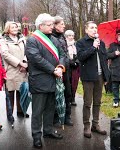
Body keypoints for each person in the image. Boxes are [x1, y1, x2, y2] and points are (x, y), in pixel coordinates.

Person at [25, 13, 65, 148]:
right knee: (37, 111)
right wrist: (53, 70)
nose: (52, 27)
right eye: (49, 25)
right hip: (40, 81)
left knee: (50, 108)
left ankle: (47, 131)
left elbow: (63, 54)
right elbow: (35, 58)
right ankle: (36, 135)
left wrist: (60, 67)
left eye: (52, 24)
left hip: (54, 80)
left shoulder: (54, 39)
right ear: (40, 26)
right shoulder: (32, 40)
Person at [76, 21, 110, 138]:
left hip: (100, 76)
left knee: (97, 102)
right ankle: (86, 126)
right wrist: (93, 47)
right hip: (88, 77)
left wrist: (106, 76)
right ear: (86, 30)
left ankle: (95, 125)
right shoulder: (81, 42)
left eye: (96, 27)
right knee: (87, 102)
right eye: (92, 28)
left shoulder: (102, 43)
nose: (95, 29)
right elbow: (81, 57)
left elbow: (104, 60)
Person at [0, 21, 28, 118]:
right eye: (13, 27)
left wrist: (24, 63)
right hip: (11, 69)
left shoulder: (23, 39)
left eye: (16, 27)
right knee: (10, 93)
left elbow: (27, 51)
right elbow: (5, 54)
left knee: (21, 91)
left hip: (22, 70)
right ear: (8, 29)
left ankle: (21, 111)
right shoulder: (3, 40)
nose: (15, 29)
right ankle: (10, 114)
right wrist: (19, 63)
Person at [51, 16, 73, 126]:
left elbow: (65, 53)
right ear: (55, 25)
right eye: (62, 24)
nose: (64, 26)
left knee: (67, 93)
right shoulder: (50, 37)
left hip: (67, 69)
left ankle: (67, 116)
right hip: (56, 69)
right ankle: (55, 118)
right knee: (57, 94)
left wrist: (70, 61)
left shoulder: (62, 36)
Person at [64, 30, 80, 106]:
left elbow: (79, 54)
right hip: (67, 66)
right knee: (68, 83)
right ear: (66, 37)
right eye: (69, 36)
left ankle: (73, 98)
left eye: (72, 36)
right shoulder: (64, 44)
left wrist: (76, 62)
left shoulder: (76, 44)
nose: (71, 37)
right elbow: (64, 55)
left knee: (75, 83)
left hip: (75, 67)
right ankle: (67, 99)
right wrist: (71, 62)